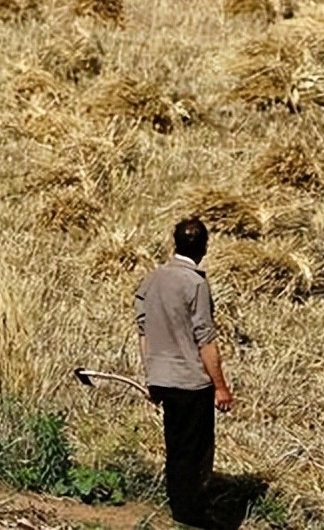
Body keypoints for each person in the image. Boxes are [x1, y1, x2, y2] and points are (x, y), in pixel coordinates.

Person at [134, 218, 234, 529]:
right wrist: (220, 387)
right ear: (204, 247)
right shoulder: (196, 284)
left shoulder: (151, 280)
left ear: (174, 243)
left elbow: (143, 330)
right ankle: (193, 515)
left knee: (175, 446)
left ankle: (178, 507)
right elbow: (205, 338)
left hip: (161, 377)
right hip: (191, 382)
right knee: (196, 452)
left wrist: (151, 373)